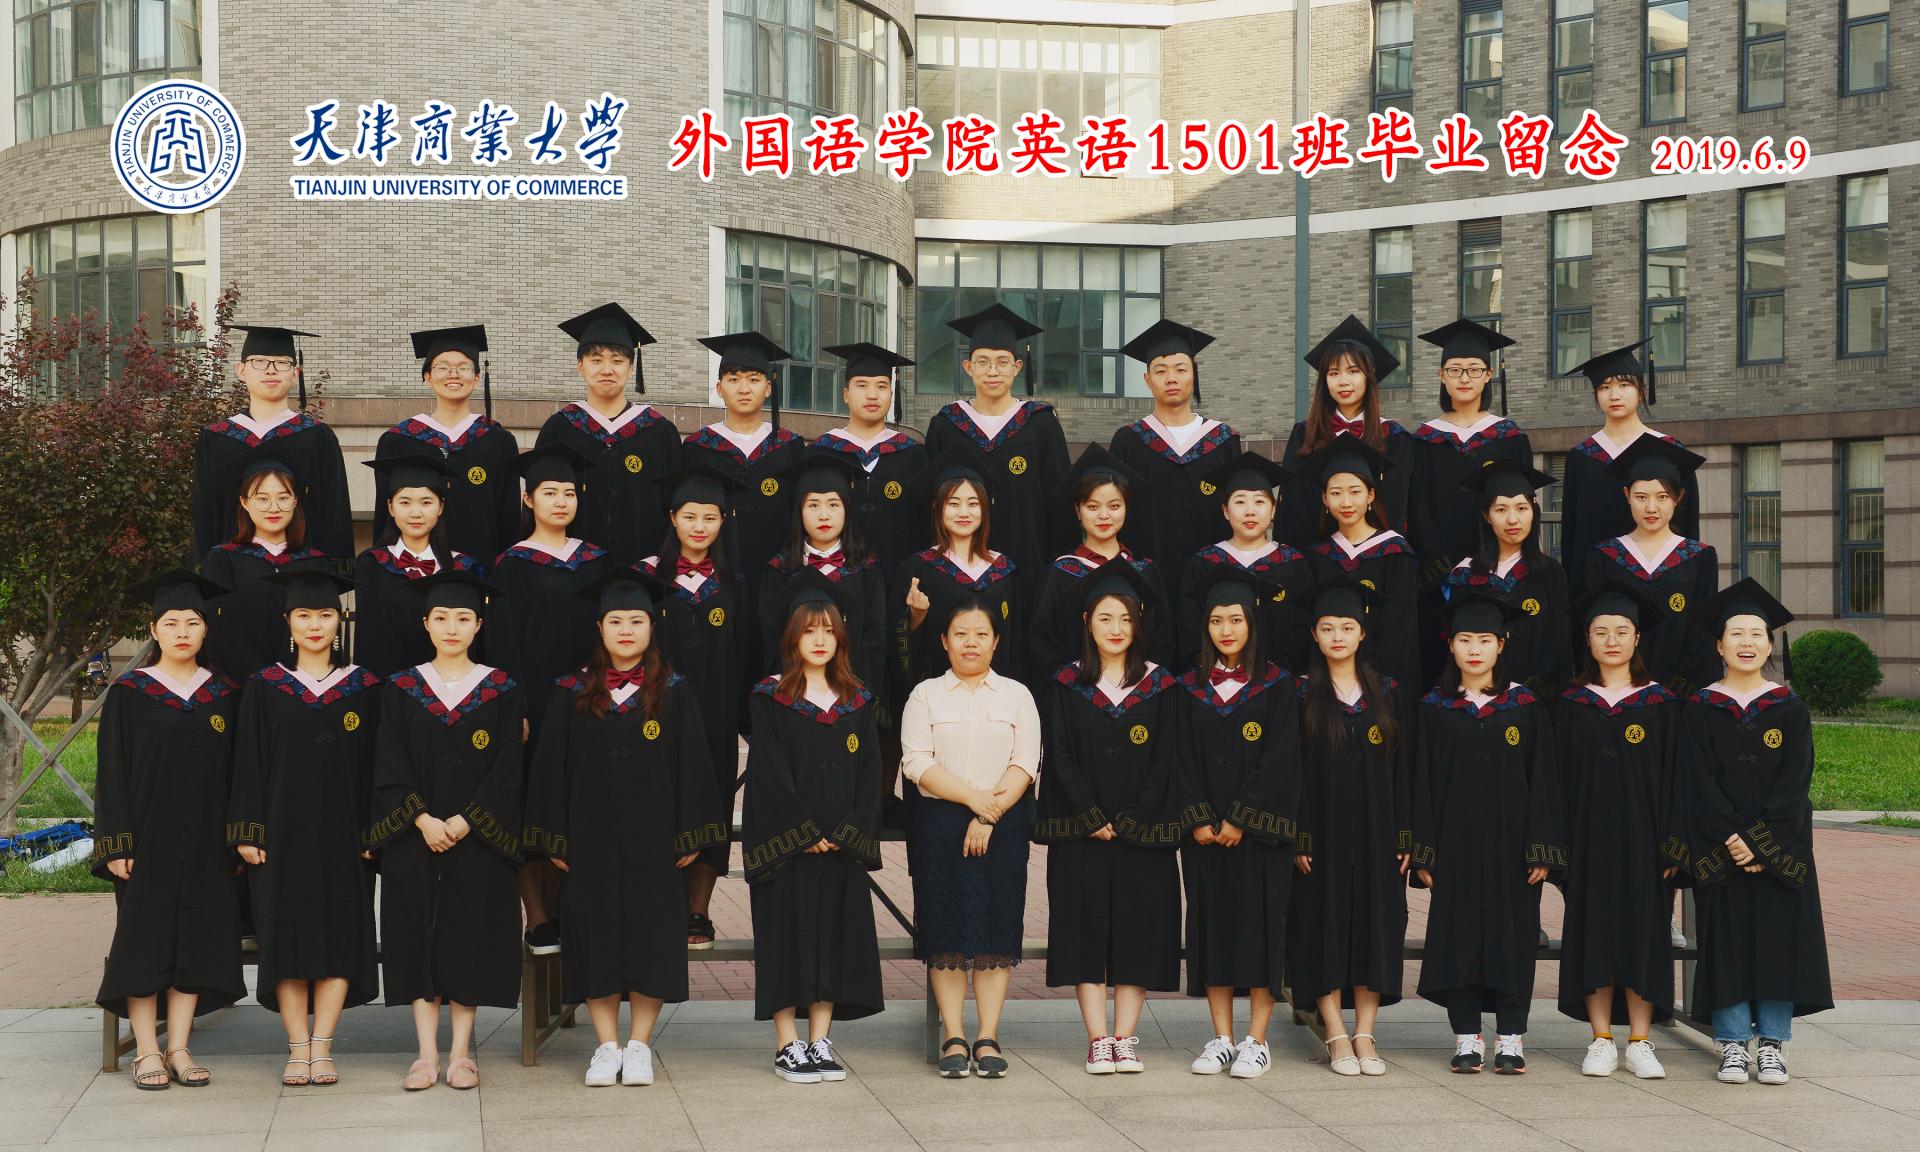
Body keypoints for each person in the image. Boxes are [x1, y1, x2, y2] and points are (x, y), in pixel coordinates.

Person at [522, 568, 727, 1087]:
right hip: (588, 838)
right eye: (616, 621)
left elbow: (695, 767)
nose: (626, 630)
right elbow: (549, 770)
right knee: (594, 934)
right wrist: (555, 837)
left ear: (652, 626)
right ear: (600, 627)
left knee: (652, 933)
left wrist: (689, 833)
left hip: (654, 839)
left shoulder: (675, 691)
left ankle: (639, 1046)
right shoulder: (570, 691)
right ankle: (605, 1045)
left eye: (637, 620)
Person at [1034, 561, 1195, 1076]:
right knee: (1084, 931)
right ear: (1087, 621)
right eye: (1105, 618)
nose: (1116, 628)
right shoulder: (1065, 684)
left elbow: (1168, 757)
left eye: (1126, 618)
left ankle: (1124, 1037)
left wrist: (1132, 816)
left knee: (1138, 931)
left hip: (1141, 833)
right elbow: (1058, 754)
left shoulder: (1162, 685)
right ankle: (1097, 1038)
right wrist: (1091, 814)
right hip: (1081, 832)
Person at [369, 569, 525, 1092]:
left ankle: (461, 1054)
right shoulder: (401, 688)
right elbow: (388, 759)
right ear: (426, 624)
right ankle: (425, 1054)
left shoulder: (501, 689)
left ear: (479, 625)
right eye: (441, 618)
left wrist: (465, 820)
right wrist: (421, 819)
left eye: (462, 618)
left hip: (476, 837)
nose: (452, 627)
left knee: (468, 936)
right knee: (416, 933)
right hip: (416, 836)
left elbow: (508, 767)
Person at [91, 570, 244, 1091]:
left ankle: (178, 1047)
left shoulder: (225, 694)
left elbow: (238, 773)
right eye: (172, 622)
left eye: (192, 622)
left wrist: (236, 839)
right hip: (146, 840)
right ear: (154, 630)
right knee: (145, 941)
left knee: (195, 940)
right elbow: (111, 773)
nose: (183, 632)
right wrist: (117, 841)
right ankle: (146, 1051)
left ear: (206, 629)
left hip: (207, 841)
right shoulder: (130, 693)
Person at [227, 570, 380, 1087]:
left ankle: (323, 1047)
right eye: (304, 615)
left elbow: (377, 768)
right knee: (286, 939)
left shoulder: (365, 687)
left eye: (325, 615)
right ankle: (296, 1048)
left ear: (340, 621)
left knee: (339, 934)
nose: (315, 625)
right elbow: (247, 763)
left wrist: (373, 832)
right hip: (280, 835)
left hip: (346, 836)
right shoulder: (264, 687)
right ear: (288, 622)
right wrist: (248, 830)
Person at [1684, 579, 1832, 1087]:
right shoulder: (1700, 707)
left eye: (1756, 634)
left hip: (1781, 850)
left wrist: (1759, 843)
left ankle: (1771, 1044)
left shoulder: (1789, 708)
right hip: (1721, 847)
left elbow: (1795, 783)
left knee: (1777, 944)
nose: (1746, 642)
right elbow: (1697, 780)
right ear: (1719, 645)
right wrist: (1734, 839)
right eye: (1736, 634)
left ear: (1770, 645)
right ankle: (1730, 1043)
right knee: (1725, 944)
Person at [1411, 591, 1566, 1075]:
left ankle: (1512, 1037)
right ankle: (1466, 1037)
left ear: (1501, 644)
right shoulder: (1434, 708)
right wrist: (1424, 852)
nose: (1474, 649)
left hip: (1512, 849)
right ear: (1450, 645)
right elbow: (1420, 783)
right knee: (1458, 938)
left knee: (1513, 938)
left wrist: (1541, 848)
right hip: (1453, 846)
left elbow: (1545, 781)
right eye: (1464, 639)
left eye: (1484, 639)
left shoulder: (1525, 706)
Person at [740, 571, 885, 1083]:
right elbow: (769, 770)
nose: (819, 639)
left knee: (833, 940)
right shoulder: (770, 697)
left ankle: (820, 1040)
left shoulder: (857, 700)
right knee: (784, 938)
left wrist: (846, 832)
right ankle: (787, 1043)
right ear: (792, 637)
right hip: (788, 847)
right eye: (809, 630)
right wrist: (803, 832)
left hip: (841, 846)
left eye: (828, 630)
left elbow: (871, 772)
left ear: (841, 637)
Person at [898, 596, 1041, 1079]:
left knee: (997, 931)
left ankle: (988, 1036)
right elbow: (917, 762)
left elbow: (1026, 762)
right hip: (940, 825)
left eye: (981, 634)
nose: (971, 643)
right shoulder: (925, 695)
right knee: (946, 933)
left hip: (1003, 824)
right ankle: (954, 1035)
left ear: (996, 642)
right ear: (944, 641)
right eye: (961, 634)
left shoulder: (1017, 695)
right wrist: (974, 800)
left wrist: (989, 813)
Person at [1553, 578, 1688, 1080]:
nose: (1612, 640)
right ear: (1587, 640)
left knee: (1643, 935)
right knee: (1592, 934)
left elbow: (1677, 780)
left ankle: (1641, 1040)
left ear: (1637, 638)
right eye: (1601, 632)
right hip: (1586, 840)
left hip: (1644, 843)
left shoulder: (1661, 705)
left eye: (1622, 631)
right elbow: (1555, 781)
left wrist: (1673, 844)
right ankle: (1601, 1039)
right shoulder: (1570, 706)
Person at [1175, 566, 1301, 1080]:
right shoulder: (1188, 687)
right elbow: (1178, 757)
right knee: (1212, 929)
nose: (1226, 630)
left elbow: (1281, 759)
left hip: (1261, 836)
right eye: (1216, 620)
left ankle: (1257, 1040)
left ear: (1252, 622)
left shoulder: (1278, 685)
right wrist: (1199, 818)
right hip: (1204, 837)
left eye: (1235, 619)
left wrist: (1241, 818)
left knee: (1262, 930)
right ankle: (1222, 1038)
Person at [486, 442, 611, 955]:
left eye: (568, 493)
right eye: (549, 493)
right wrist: (515, 707)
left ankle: (571, 912)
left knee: (579, 801)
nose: (560, 501)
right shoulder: (511, 564)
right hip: (535, 702)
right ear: (528, 498)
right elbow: (503, 642)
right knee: (533, 805)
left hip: (588, 701)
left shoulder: (597, 561)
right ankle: (538, 917)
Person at [1287, 574, 1410, 1078]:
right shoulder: (1299, 694)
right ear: (1314, 635)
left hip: (1379, 834)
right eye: (1327, 628)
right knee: (1323, 926)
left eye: (1347, 627)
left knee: (1375, 929)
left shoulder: (1388, 693)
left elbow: (1405, 770)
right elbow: (1290, 773)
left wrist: (1406, 835)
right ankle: (1336, 1033)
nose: (1337, 636)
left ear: (1363, 632)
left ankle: (1365, 1032)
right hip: (1321, 837)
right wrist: (1299, 834)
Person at [640, 464, 754, 950]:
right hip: (654, 713)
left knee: (712, 805)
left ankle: (698, 911)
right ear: (672, 517)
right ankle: (658, 904)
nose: (699, 526)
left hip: (715, 715)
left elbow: (746, 655)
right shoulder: (646, 578)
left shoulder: (734, 584)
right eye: (689, 516)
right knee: (657, 801)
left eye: (710, 517)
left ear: (723, 521)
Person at [922, 303, 1071, 577]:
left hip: (1028, 563)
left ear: (1017, 367)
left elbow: (1059, 500)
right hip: (958, 569)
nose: (993, 371)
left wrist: (1058, 566)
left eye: (1003, 362)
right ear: (968, 367)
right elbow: (930, 503)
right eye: (983, 362)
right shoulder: (947, 424)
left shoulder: (1040, 423)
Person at [535, 304, 684, 566]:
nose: (607, 369)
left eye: (617, 361)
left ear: (631, 367)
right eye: (596, 360)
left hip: (644, 571)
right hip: (572, 570)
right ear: (580, 366)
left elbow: (676, 507)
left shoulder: (659, 432)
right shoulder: (559, 429)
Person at [191, 325, 352, 567]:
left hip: (303, 577)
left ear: (295, 373)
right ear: (241, 370)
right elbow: (204, 514)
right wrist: (204, 575)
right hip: (229, 576)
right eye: (259, 361)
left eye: (282, 363)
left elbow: (334, 511)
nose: (271, 370)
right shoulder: (216, 438)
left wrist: (335, 577)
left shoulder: (317, 437)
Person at [1108, 319, 1239, 612]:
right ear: (1147, 380)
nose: (1171, 378)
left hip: (1212, 582)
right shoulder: (1128, 441)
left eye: (1181, 369)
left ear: (1194, 373)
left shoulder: (1222, 440)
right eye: (1161, 371)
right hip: (1146, 583)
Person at [370, 325, 521, 571]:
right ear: (427, 377)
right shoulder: (398, 441)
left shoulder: (498, 441)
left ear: (477, 377)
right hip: (414, 574)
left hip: (480, 574)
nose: (454, 374)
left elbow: (509, 518)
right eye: (442, 367)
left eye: (463, 367)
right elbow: (385, 517)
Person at [1562, 340, 1699, 599]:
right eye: (1604, 387)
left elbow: (1687, 523)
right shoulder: (1582, 457)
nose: (1614, 395)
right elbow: (1572, 533)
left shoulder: (1668, 450)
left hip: (1662, 583)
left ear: (1641, 391)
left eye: (1624, 385)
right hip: (1599, 587)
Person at [1584, 436, 1718, 696]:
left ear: (1678, 498)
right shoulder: (1604, 557)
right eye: (1641, 497)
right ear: (1627, 495)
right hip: (1618, 692)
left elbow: (1702, 635)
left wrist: (1679, 690)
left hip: (1681, 693)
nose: (1651, 507)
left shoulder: (1698, 557)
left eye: (1662, 497)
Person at [1029, 444, 1175, 681]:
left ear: (1126, 508)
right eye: (1092, 506)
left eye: (1114, 506)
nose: (1104, 515)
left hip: (1137, 692)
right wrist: (1073, 688)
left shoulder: (1145, 571)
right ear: (1078, 511)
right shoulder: (1060, 573)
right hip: (1075, 693)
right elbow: (1044, 642)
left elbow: (1161, 641)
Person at [682, 331, 808, 605]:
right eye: (733, 379)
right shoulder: (698, 447)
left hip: (778, 577)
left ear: (768, 387)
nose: (743, 388)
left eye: (753, 379)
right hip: (713, 579)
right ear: (719, 388)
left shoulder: (790, 447)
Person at [894, 444, 1026, 691]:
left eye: (973, 503)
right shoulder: (920, 567)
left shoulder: (1004, 570)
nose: (964, 513)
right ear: (937, 506)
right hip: (941, 697)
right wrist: (915, 617)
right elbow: (898, 648)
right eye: (953, 504)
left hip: (996, 698)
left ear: (984, 507)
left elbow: (1016, 646)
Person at [756, 451, 888, 695]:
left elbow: (875, 641)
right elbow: (772, 643)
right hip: (795, 696)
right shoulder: (779, 571)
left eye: (834, 504)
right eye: (813, 505)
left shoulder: (867, 569)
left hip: (852, 695)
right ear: (799, 511)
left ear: (847, 510)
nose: (824, 515)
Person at [1280, 315, 1415, 551]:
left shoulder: (1395, 439)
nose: (1343, 381)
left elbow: (1399, 506)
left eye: (1353, 371)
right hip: (1315, 556)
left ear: (1369, 376)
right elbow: (1293, 507)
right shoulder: (1305, 435)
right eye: (1333, 373)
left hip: (1377, 557)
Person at [198, 448, 332, 681]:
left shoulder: (316, 562)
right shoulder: (222, 559)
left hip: (303, 683)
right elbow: (219, 630)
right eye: (262, 499)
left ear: (295, 501)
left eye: (283, 497)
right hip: (238, 682)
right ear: (244, 502)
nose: (274, 508)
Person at [352, 452, 485, 677]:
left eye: (426, 502)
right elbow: (367, 640)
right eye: (405, 502)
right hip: (388, 685)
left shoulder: (464, 568)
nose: (416, 513)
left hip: (450, 685)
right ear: (391, 507)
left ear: (440, 507)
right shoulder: (371, 565)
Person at [1300, 439, 1420, 688]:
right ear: (1324, 499)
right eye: (1336, 493)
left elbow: (1400, 627)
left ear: (1370, 495)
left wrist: (1375, 682)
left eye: (1355, 492)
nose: (1346, 502)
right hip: (1329, 680)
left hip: (1383, 680)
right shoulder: (1316, 556)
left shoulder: (1395, 552)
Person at [1177, 450, 1310, 673]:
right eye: (1240, 502)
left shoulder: (1294, 564)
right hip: (1215, 683)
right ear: (1225, 511)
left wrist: (1278, 676)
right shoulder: (1203, 564)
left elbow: (1304, 627)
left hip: (1281, 682)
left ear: (1273, 510)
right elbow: (1189, 628)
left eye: (1259, 501)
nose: (1250, 511)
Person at [1446, 460, 1571, 693]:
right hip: (1479, 697)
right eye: (1501, 509)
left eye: (1522, 508)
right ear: (1487, 516)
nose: (1512, 520)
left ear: (1533, 512)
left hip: (1537, 698)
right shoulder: (1466, 576)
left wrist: (1528, 695)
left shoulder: (1550, 573)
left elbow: (1558, 640)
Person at [813, 342, 928, 585]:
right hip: (835, 586)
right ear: (846, 394)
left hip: (899, 584)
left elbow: (923, 527)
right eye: (862, 385)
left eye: (881, 386)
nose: (872, 395)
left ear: (891, 394)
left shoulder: (914, 455)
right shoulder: (821, 452)